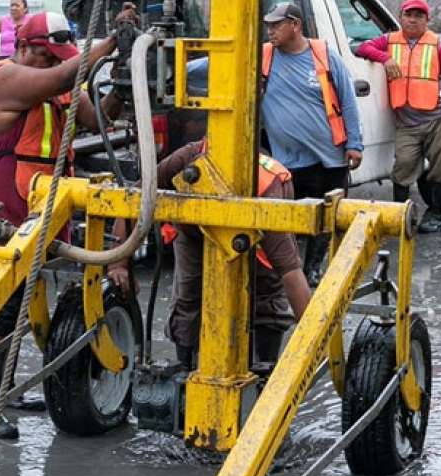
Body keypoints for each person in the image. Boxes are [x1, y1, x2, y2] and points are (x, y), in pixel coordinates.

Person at [0, 11, 122, 439]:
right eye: (48, 58)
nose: (54, 67)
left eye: (58, 60)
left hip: (44, 207)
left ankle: (6, 395)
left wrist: (121, 83)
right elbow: (60, 78)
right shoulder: (4, 77)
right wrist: (104, 46)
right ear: (26, 47)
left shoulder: (54, 82)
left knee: (23, 300)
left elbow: (97, 116)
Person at [109, 142, 311, 372]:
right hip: (195, 227)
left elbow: (291, 273)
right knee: (189, 295)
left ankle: (265, 367)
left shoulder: (266, 193)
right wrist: (119, 265)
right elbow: (136, 199)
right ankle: (184, 370)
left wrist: (313, 343)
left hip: (253, 231)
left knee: (265, 295)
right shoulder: (187, 157)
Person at [259, 1, 364, 282]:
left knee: (325, 217)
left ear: (295, 25)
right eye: (268, 25)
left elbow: (348, 100)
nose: (270, 30)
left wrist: (355, 143)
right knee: (289, 219)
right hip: (288, 161)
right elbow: (221, 63)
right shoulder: (264, 56)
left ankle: (313, 269)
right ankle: (291, 273)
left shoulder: (323, 56)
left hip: (329, 157)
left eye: (276, 25)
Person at [353, 0, 441, 234]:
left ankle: (436, 214)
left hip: (438, 120)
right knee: (402, 167)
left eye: (419, 16)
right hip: (407, 123)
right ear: (400, 18)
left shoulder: (439, 45)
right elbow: (362, 48)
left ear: (427, 20)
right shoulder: (390, 41)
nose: (412, 20)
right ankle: (400, 213)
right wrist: (385, 58)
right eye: (408, 15)